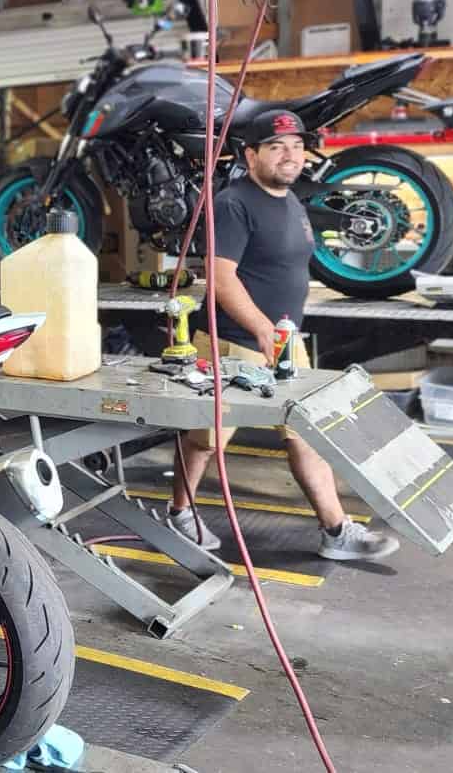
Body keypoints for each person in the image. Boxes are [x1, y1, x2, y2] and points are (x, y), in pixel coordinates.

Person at [170, 109, 400, 561]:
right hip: (235, 341)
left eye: (296, 147)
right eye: (276, 147)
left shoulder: (291, 201)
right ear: (250, 154)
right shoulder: (233, 204)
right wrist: (261, 328)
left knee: (308, 436)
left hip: (283, 343)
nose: (289, 156)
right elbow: (220, 278)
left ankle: (336, 531)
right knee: (205, 440)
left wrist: (286, 332)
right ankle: (180, 513)